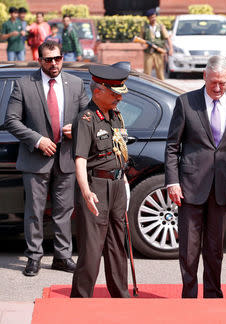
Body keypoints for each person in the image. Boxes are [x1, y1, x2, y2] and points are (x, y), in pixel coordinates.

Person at [165, 55, 226, 298]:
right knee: (189, 250)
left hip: (223, 187)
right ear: (204, 76)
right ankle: (189, 296)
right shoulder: (186, 102)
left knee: (215, 249)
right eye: (212, 82)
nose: (216, 88)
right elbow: (172, 146)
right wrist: (173, 182)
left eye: (222, 83)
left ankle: (213, 295)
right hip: (190, 187)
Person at [4, 40, 90, 276]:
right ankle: (34, 257)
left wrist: (79, 127)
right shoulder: (23, 84)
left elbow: (88, 114)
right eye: (49, 59)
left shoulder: (75, 83)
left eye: (58, 58)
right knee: (34, 211)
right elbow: (11, 120)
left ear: (63, 58)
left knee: (64, 210)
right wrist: (37, 139)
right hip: (35, 157)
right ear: (39, 59)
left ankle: (62, 257)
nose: (54, 63)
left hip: (67, 156)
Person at [70, 64, 131, 298]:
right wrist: (85, 192)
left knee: (118, 244)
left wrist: (123, 181)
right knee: (93, 247)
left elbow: (119, 150)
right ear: (98, 92)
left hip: (116, 185)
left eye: (120, 93)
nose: (119, 98)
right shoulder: (86, 119)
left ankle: (120, 294)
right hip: (96, 187)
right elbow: (80, 159)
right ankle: (81, 297)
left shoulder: (115, 115)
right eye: (114, 93)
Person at [142, 8, 173, 80]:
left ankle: (162, 89)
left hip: (158, 52)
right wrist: (143, 45)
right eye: (152, 17)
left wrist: (171, 49)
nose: (154, 18)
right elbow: (141, 40)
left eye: (154, 16)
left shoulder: (161, 27)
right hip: (148, 52)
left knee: (160, 72)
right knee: (147, 73)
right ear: (148, 18)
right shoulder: (144, 28)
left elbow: (167, 38)